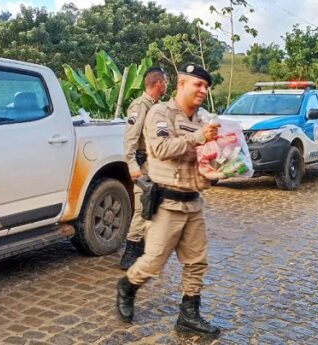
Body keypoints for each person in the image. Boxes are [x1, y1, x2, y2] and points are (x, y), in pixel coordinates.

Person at [116, 63, 221, 336]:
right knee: (153, 261)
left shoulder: (202, 119)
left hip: (193, 201)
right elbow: (162, 149)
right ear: (181, 84)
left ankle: (188, 315)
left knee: (197, 261)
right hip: (166, 203)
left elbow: (203, 157)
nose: (203, 90)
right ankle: (127, 286)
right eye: (198, 84)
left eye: (206, 86)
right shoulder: (160, 113)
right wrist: (199, 138)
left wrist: (217, 169)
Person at [120, 67, 168, 270]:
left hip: (156, 163)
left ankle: (147, 250)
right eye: (165, 82)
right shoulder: (140, 106)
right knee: (142, 207)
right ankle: (130, 254)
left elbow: (163, 135)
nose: (167, 85)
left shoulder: (159, 107)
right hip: (142, 164)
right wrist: (132, 166)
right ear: (158, 83)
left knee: (156, 207)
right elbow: (130, 139)